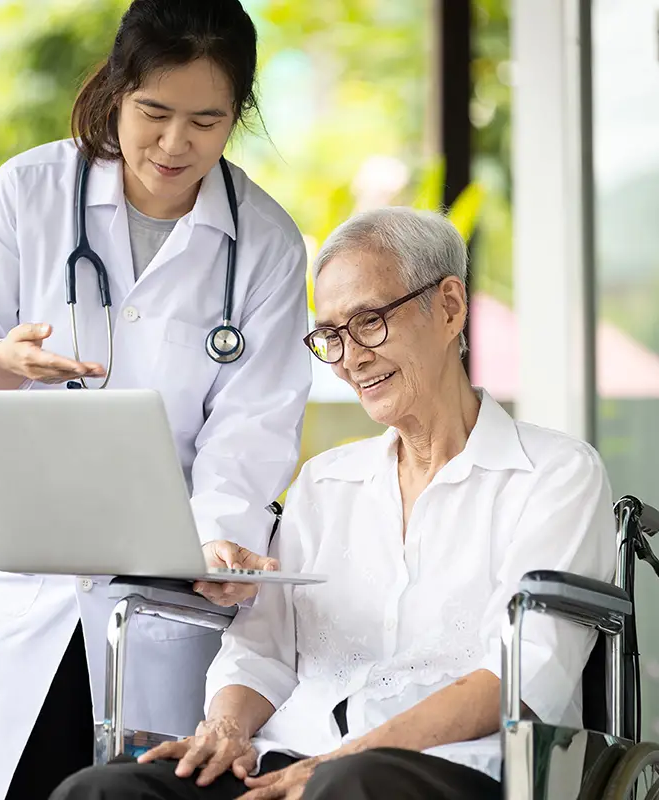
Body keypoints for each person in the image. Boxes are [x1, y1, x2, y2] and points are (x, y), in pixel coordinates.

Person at [49, 207, 616, 800]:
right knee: (105, 791)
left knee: (347, 787)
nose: (350, 358)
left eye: (369, 322)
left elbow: (522, 677)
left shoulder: (553, 475)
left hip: (452, 769)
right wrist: (225, 729)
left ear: (449, 306)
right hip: (290, 759)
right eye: (332, 336)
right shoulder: (325, 483)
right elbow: (262, 651)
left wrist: (338, 761)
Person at [0, 2, 312, 798]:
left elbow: (253, 425)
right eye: (154, 113)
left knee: (120, 788)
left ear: (239, 116)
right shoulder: (31, 193)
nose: (174, 143)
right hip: (22, 575)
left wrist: (219, 538)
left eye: (206, 119)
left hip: (161, 591)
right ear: (117, 90)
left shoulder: (264, 243)